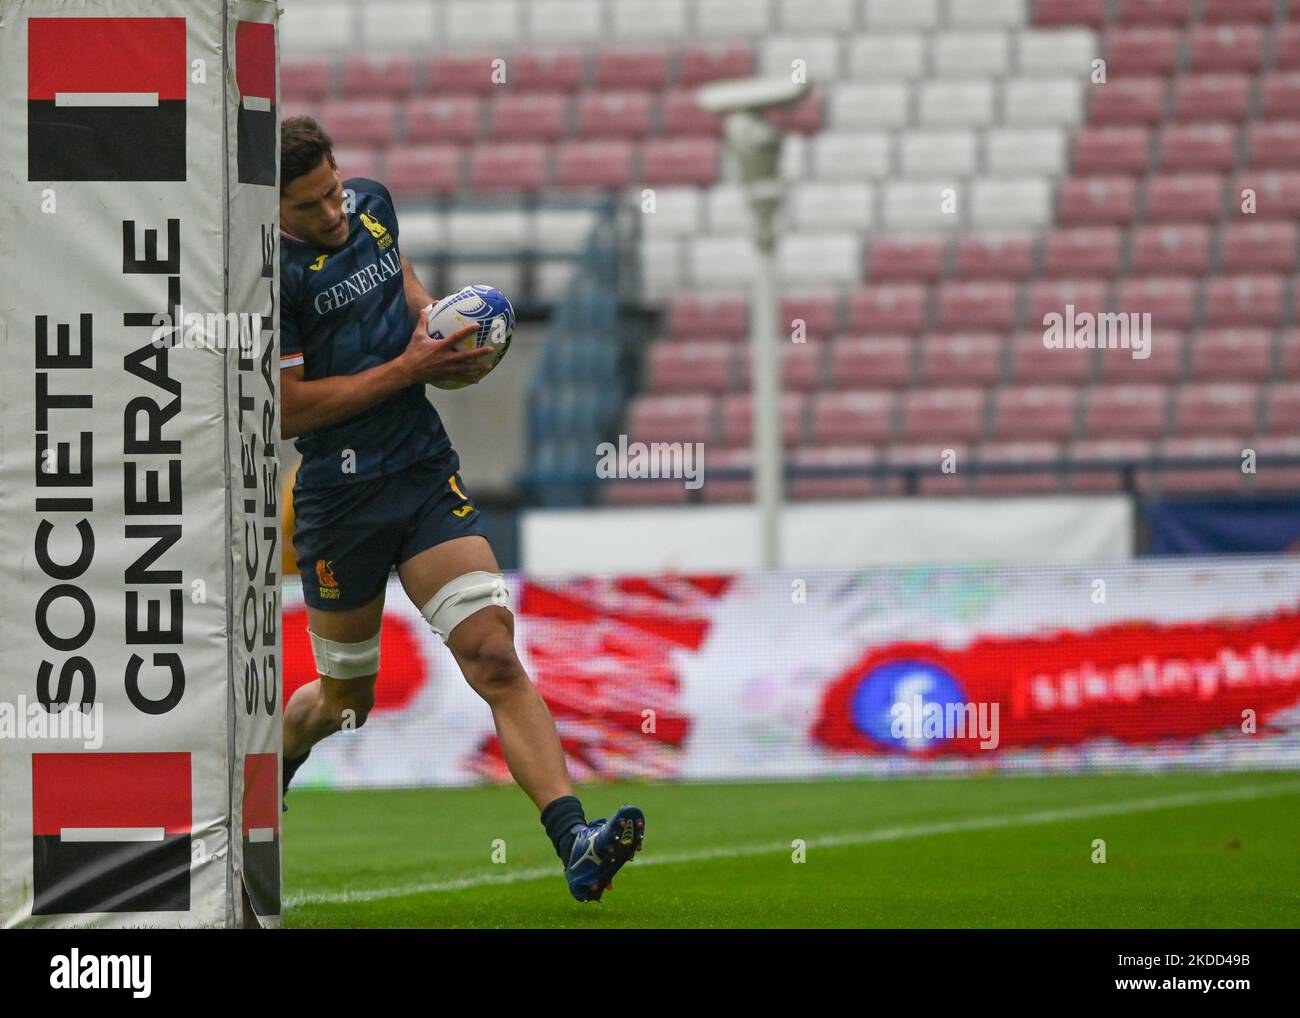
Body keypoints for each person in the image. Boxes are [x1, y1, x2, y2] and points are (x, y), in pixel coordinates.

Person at [277, 116, 643, 902]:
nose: (333, 212)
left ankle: (574, 839)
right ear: (274, 209)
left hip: (418, 471)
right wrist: (410, 367)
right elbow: (289, 409)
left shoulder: (372, 207)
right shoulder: (269, 275)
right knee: (347, 701)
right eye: (310, 206)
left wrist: (443, 343)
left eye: (334, 190)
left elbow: (403, 289)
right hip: (339, 501)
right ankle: (271, 765)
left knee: (493, 655)